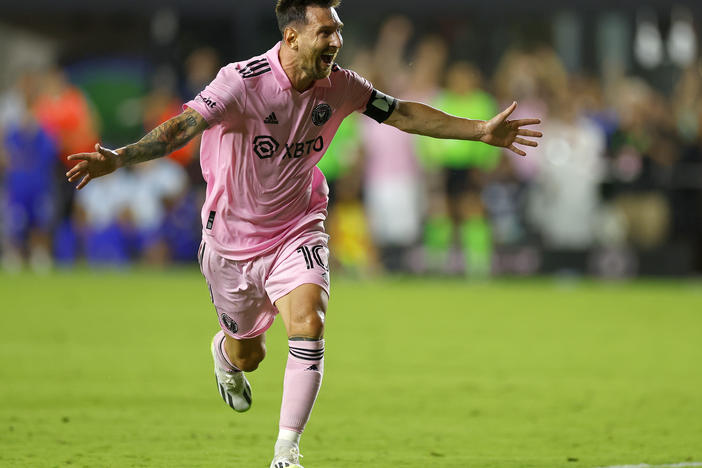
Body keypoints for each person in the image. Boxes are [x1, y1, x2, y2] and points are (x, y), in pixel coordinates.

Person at [65, 1, 542, 466]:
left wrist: (480, 130)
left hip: (298, 225)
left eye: (338, 30)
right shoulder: (242, 82)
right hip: (230, 239)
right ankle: (225, 354)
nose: (336, 41)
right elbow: (182, 127)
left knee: (309, 323)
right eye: (326, 32)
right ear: (292, 36)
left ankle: (286, 453)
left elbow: (403, 114)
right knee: (250, 354)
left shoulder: (344, 86)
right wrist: (121, 157)